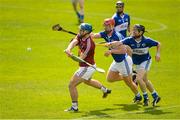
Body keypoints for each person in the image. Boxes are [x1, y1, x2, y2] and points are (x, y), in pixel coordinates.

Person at [107, 24, 161, 106]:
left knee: (139, 79)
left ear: (141, 32)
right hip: (137, 63)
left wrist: (158, 54)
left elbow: (158, 44)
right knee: (145, 80)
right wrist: (111, 43)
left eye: (135, 31)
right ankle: (155, 96)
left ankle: (145, 98)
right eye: (133, 30)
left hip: (145, 61)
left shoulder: (147, 41)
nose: (133, 32)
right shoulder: (130, 40)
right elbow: (120, 42)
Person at [92, 18, 142, 103]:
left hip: (123, 61)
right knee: (110, 79)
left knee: (129, 83)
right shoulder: (105, 34)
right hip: (116, 61)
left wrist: (111, 51)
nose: (105, 27)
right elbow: (93, 35)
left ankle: (138, 96)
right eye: (105, 25)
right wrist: (81, 37)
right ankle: (131, 77)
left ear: (112, 26)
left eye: (107, 26)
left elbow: (124, 50)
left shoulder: (117, 36)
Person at [64, 23, 111, 112]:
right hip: (89, 66)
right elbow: (74, 41)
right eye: (80, 30)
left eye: (82, 30)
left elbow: (80, 59)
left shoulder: (90, 45)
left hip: (86, 67)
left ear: (87, 32)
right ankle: (105, 90)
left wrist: (71, 56)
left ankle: (74, 107)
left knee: (71, 85)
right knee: (87, 81)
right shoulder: (81, 35)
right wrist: (68, 49)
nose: (79, 31)